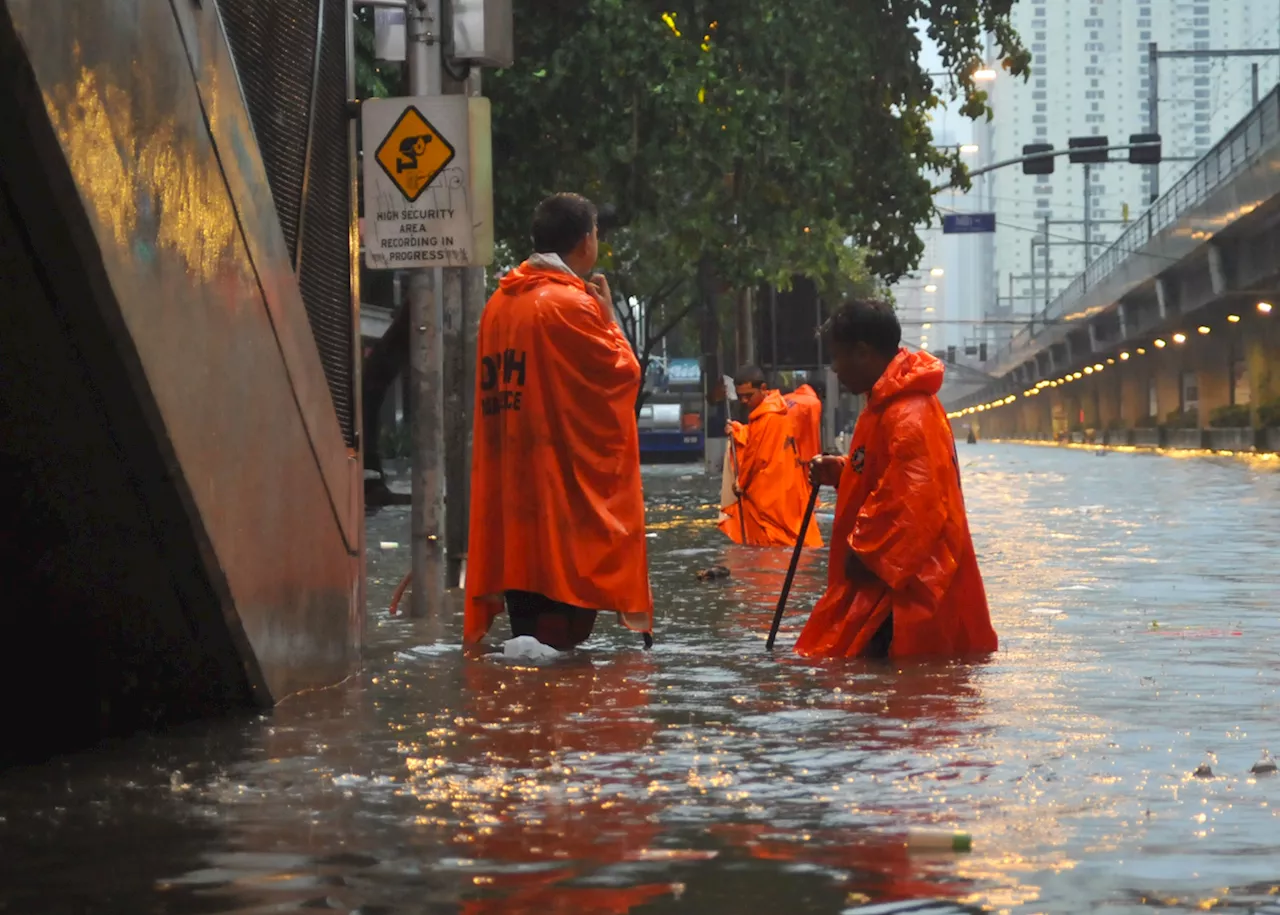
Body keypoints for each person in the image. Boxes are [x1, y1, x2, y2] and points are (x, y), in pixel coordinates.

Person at [464, 193, 654, 651]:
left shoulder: (499, 305)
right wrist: (609, 320)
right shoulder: (571, 305)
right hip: (562, 506)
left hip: (511, 505)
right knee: (559, 649)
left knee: (529, 639)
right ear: (586, 241)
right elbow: (623, 374)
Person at [795, 299, 996, 660]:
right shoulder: (886, 405)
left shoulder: (907, 414)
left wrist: (865, 555)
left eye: (838, 357)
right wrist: (844, 472)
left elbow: (913, 503)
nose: (835, 369)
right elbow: (888, 475)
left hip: (904, 592)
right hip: (893, 585)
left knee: (893, 695)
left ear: (862, 352)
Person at [719, 366, 824, 549]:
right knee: (794, 539)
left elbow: (755, 456)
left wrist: (741, 484)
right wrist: (738, 429)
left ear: (763, 388)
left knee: (775, 543)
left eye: (748, 395)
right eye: (740, 396)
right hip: (786, 489)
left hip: (772, 494)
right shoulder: (778, 411)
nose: (744, 401)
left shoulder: (768, 416)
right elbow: (755, 439)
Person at [785, 379, 823, 467]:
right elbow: (813, 432)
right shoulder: (813, 402)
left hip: (779, 449)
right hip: (798, 457)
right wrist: (816, 460)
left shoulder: (786, 398)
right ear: (819, 392)